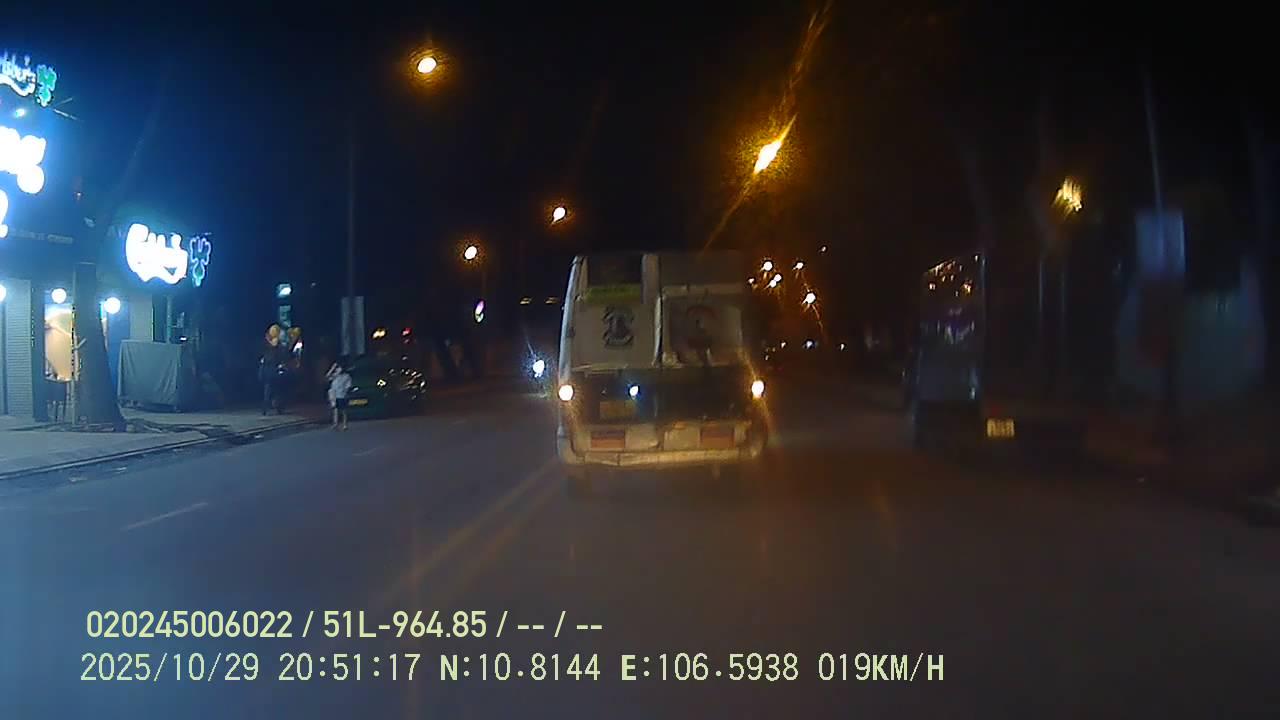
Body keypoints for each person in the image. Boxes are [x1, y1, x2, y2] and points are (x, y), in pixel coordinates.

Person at [328, 361, 353, 430]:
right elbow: (327, 376)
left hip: (342, 395)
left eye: (338, 368)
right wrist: (332, 368)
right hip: (334, 395)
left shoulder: (346, 376)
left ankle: (345, 424)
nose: (337, 369)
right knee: (335, 410)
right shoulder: (335, 375)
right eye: (336, 368)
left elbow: (348, 386)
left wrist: (345, 392)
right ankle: (335, 424)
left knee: (343, 411)